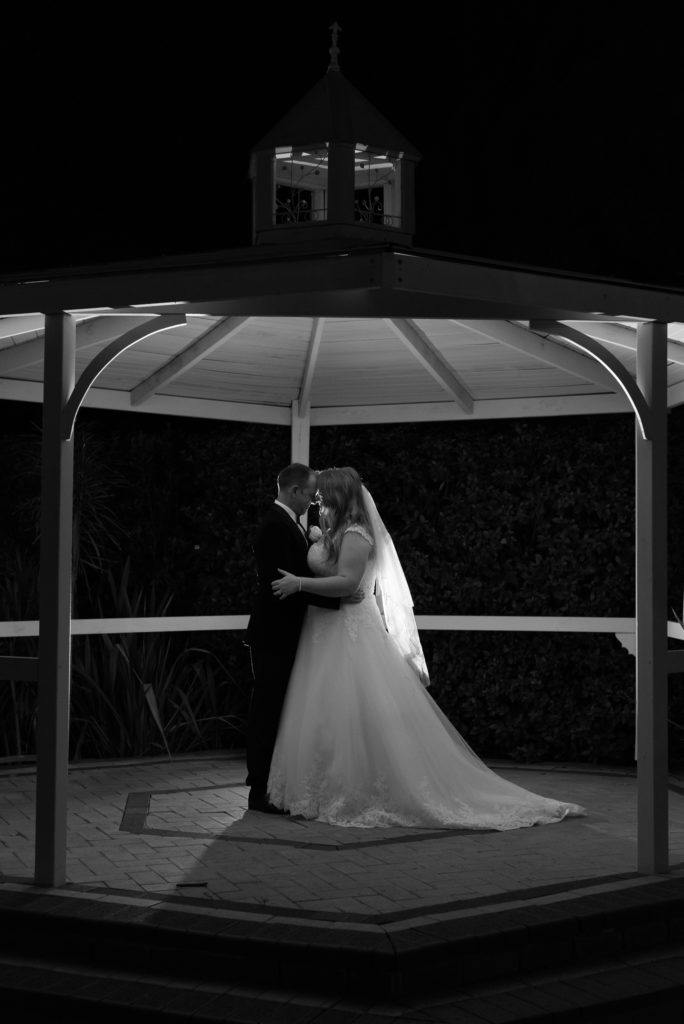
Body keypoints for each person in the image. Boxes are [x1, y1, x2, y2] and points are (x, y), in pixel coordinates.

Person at [268, 466, 586, 830]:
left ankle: (355, 788)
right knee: (324, 711)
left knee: (353, 711)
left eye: (323, 497)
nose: (318, 503)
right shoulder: (335, 532)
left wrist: (300, 584)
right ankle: (318, 787)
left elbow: (347, 584)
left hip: (350, 631)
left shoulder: (357, 533)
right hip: (324, 632)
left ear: (339, 496)